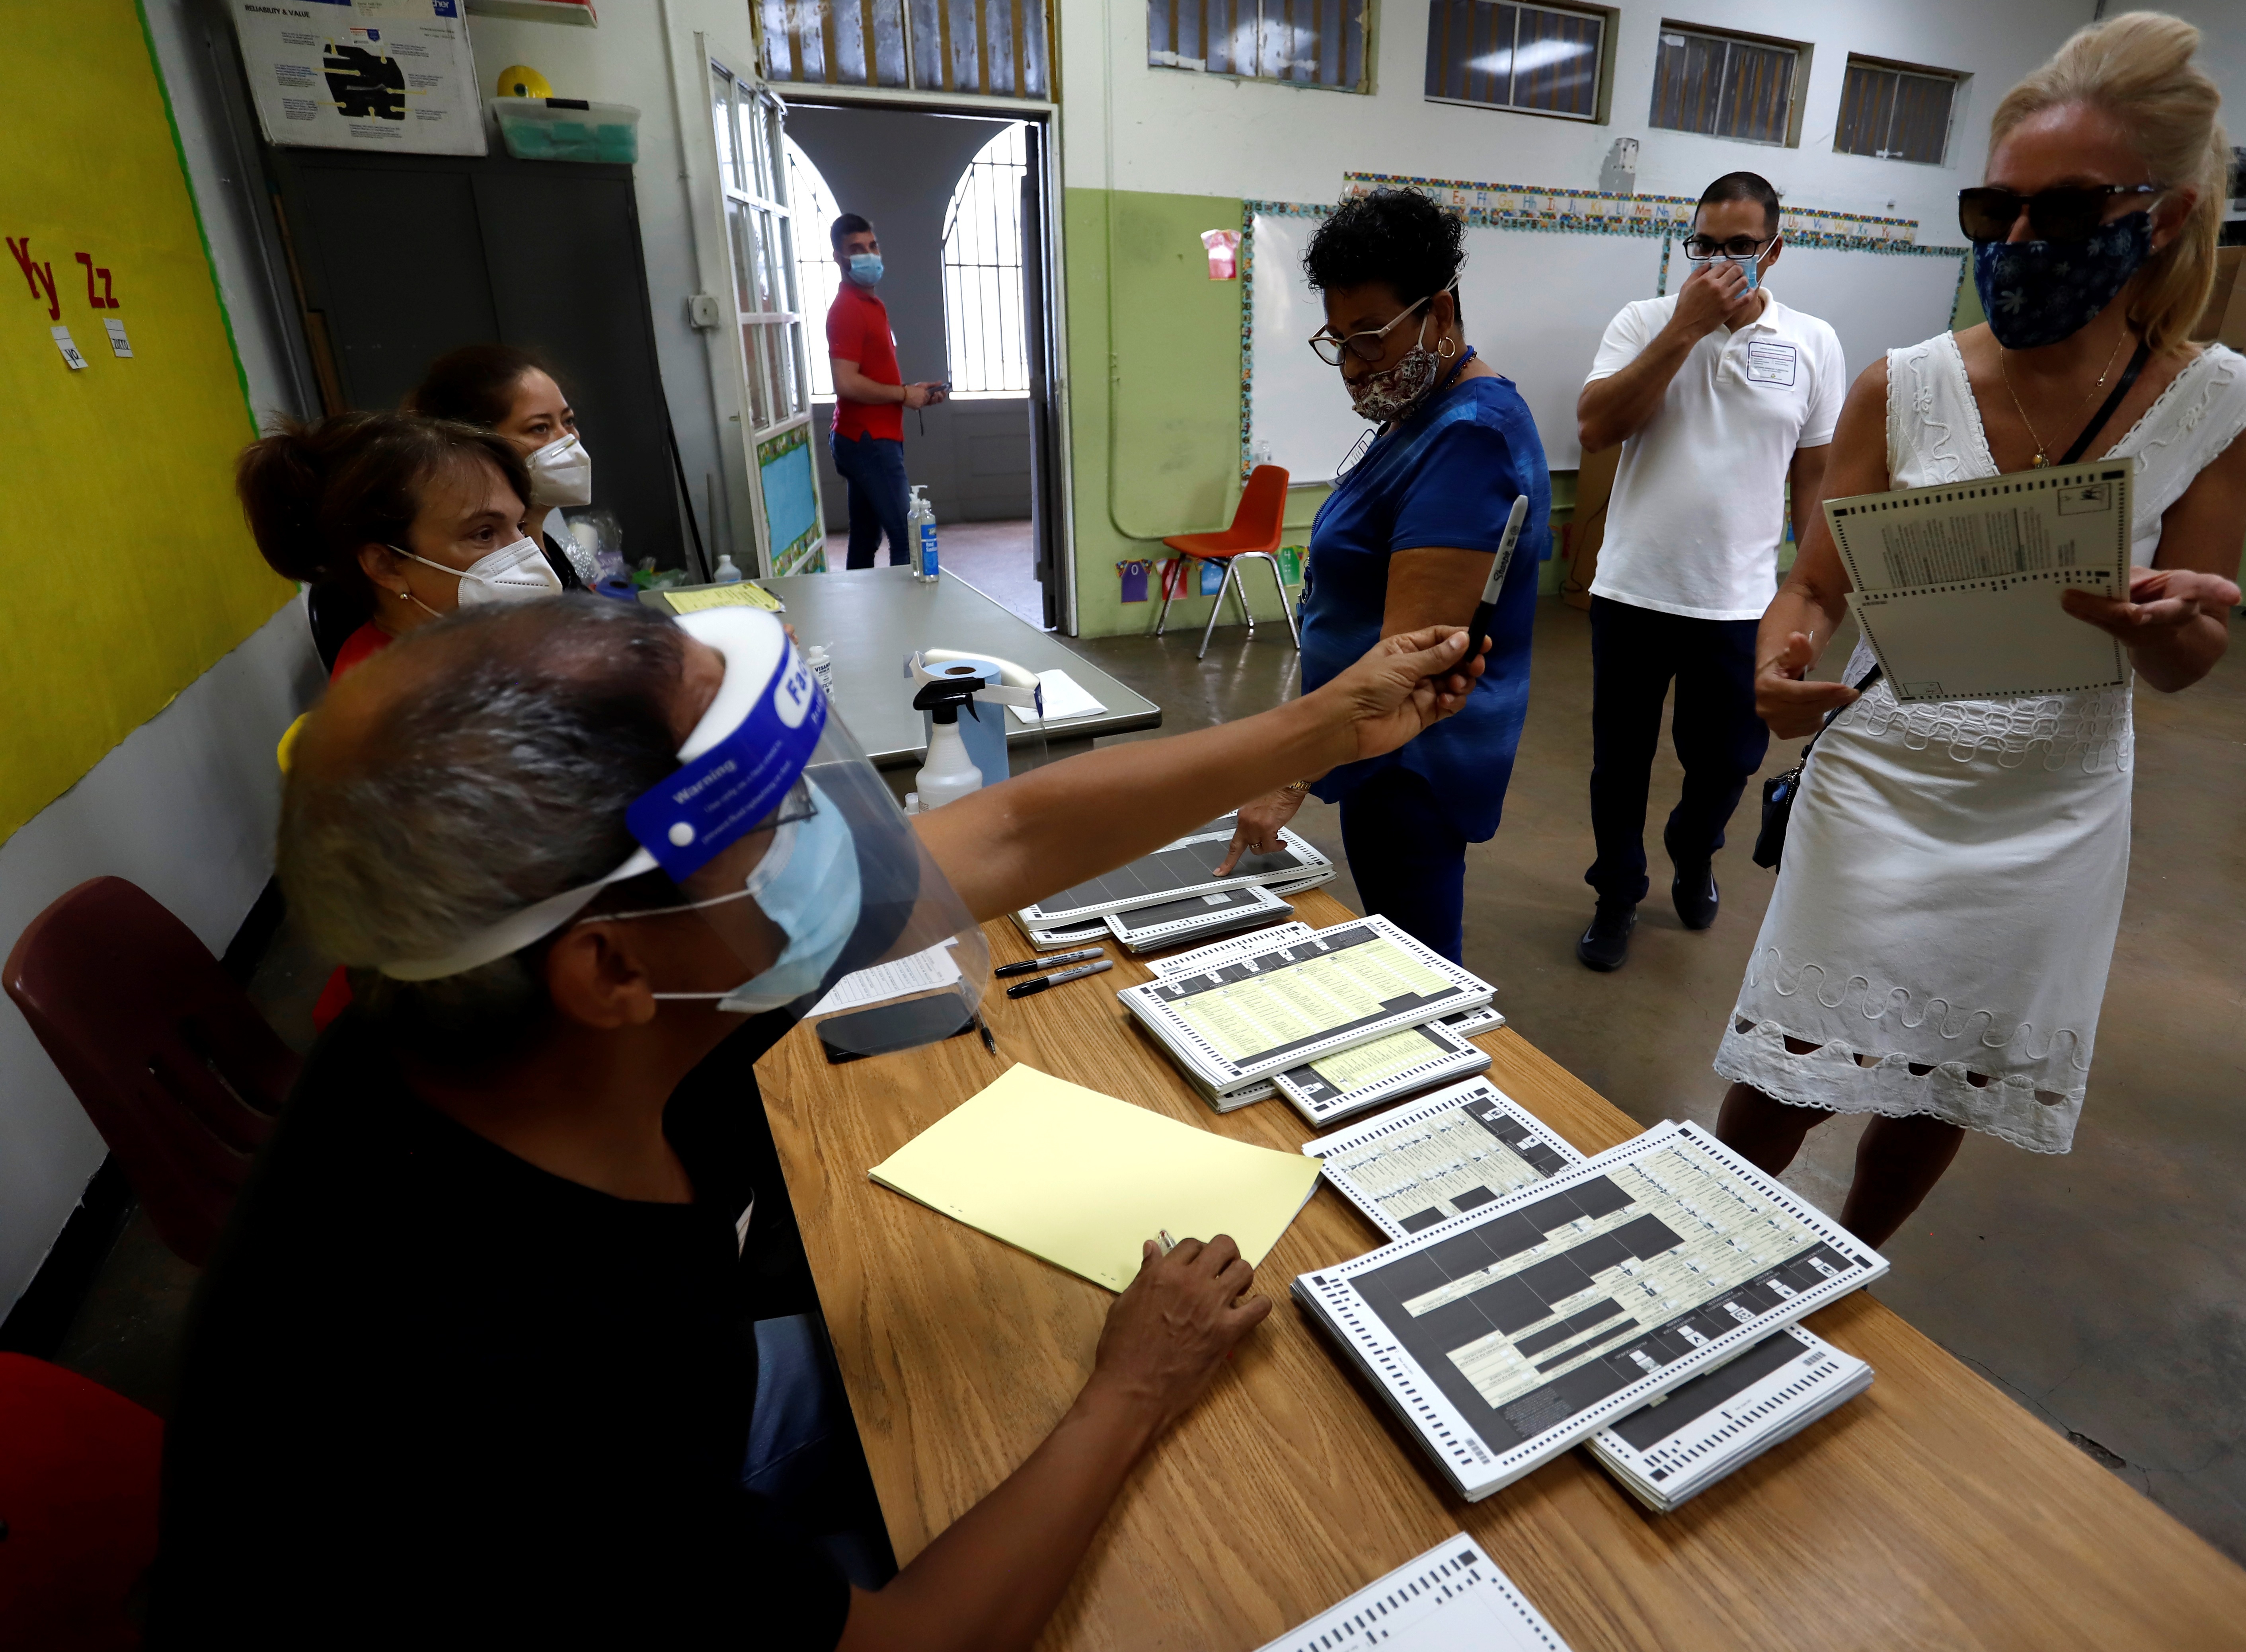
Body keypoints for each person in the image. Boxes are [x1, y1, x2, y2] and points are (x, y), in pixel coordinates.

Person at [150, 594, 1490, 1646]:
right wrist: (1129, 1391)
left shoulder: (548, 1011)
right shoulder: (494, 1401)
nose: (830, 845)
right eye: (778, 817)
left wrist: (1324, 725)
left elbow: (1008, 836)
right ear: (611, 968)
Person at [1708, 12, 2246, 1249]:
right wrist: (1777, 660)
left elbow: (2191, 656)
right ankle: (1703, 1255)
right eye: (1993, 211)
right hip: (1887, 770)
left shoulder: (2220, 405)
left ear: (2163, 218)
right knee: (1786, 1075)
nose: (2019, 243)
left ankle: (1852, 1262)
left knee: (1949, 1075)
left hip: (2056, 802)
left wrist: (2160, 626)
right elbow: (1812, 588)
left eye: (2063, 214)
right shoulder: (1901, 387)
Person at [1217, 187, 1550, 965]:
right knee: (1397, 940)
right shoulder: (1421, 417)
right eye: (1337, 342)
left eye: (1371, 338)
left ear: (1439, 312)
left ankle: (1431, 1081)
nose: (1353, 367)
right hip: (1364, 745)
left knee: (1417, 961)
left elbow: (1408, 661)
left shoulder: (1470, 439)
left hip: (1412, 759)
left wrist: (1286, 774)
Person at [1572, 172, 1846, 967]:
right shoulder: (1644, 321)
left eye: (1739, 248)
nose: (1719, 261)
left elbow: (1815, 476)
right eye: (1704, 246)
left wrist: (1814, 600)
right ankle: (1617, 892)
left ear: (1775, 250)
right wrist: (1683, 330)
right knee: (1618, 763)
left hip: (1738, 602)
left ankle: (1695, 851)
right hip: (1632, 590)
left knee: (1726, 759)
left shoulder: (1813, 343)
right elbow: (1596, 428)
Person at [236, 409, 571, 683]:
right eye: (484, 534)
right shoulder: (401, 713)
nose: (527, 554)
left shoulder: (467, 653)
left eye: (520, 526)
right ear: (386, 566)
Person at [408, 343, 602, 586]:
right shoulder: (500, 568)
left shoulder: (543, 535)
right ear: (478, 441)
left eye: (568, 421)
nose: (569, 440)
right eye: (540, 428)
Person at [825, 213, 948, 569]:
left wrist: (914, 392)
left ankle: (867, 616)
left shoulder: (871, 305)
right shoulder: (847, 309)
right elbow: (845, 382)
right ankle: (906, 622)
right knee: (907, 535)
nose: (868, 254)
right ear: (839, 257)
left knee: (866, 537)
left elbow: (874, 374)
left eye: (872, 246)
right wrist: (902, 395)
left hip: (869, 438)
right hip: (868, 441)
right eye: (856, 249)